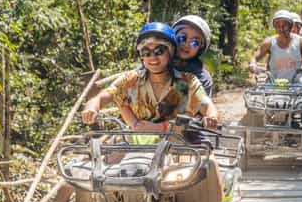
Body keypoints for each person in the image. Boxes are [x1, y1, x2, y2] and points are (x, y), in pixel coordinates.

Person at [81, 22, 219, 132]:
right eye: (146, 52)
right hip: (138, 145)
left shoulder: (187, 82)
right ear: (141, 56)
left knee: (207, 163)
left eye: (159, 51)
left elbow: (207, 105)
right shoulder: (131, 79)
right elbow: (102, 97)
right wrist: (92, 107)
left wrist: (211, 117)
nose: (152, 57)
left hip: (178, 144)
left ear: (170, 52)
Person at [248, 10, 302, 89]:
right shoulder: (269, 42)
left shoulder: (301, 41)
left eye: (284, 25)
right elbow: (255, 57)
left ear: (290, 26)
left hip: (297, 82)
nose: (281, 29)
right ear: (275, 27)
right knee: (260, 97)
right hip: (274, 82)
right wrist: (253, 64)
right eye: (278, 26)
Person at [172, 15, 213, 96]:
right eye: (182, 38)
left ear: (200, 48)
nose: (186, 44)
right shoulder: (157, 61)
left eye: (195, 42)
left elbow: (201, 107)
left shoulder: (202, 77)